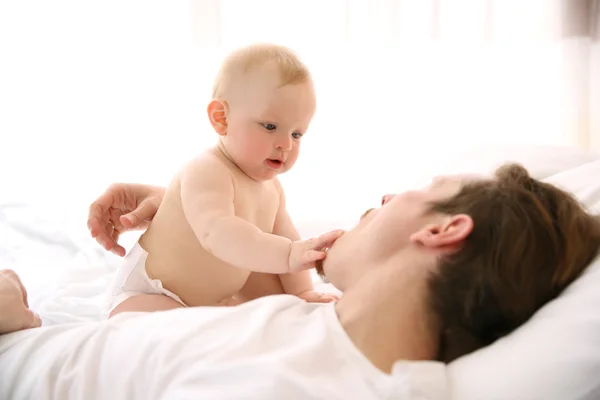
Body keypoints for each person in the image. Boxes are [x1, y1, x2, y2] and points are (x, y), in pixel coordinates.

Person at [2, 163, 598, 399]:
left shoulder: (288, 384)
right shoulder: (326, 320)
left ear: (443, 232)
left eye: (414, 194)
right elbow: (236, 247)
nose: (384, 198)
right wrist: (182, 207)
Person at [105, 43, 342, 317]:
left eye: (297, 134)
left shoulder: (272, 189)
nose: (285, 145)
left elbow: (285, 236)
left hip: (213, 298)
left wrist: (301, 291)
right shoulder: (206, 170)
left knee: (273, 295)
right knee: (164, 329)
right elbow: (217, 233)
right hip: (151, 293)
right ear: (221, 118)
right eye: (270, 126)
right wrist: (289, 254)